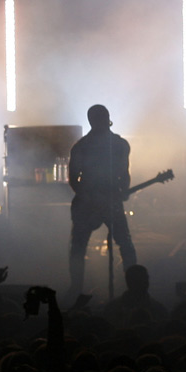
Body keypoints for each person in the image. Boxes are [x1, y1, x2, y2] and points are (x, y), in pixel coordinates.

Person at [68, 103, 136, 296]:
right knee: (124, 244)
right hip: (92, 203)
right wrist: (90, 197)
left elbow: (124, 173)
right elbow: (74, 179)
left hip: (101, 202)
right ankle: (77, 288)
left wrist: (124, 190)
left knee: (80, 247)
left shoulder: (86, 146)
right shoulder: (115, 145)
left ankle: (76, 288)